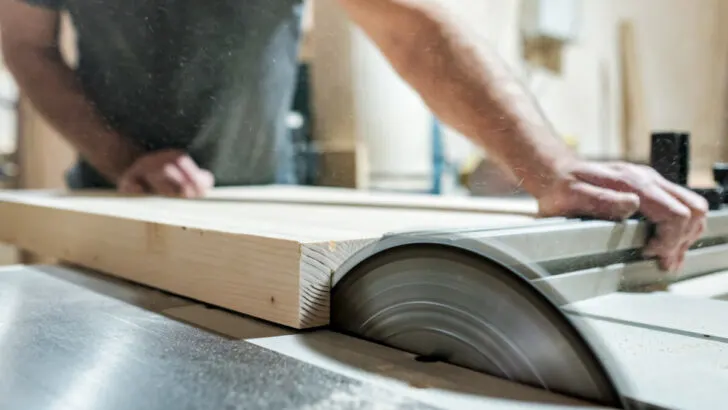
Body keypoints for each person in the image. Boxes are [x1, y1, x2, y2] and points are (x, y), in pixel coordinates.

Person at [0, 0, 707, 272]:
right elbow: (25, 43)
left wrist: (550, 166)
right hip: (109, 207)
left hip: (260, 207)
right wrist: (124, 158)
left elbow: (413, 28)